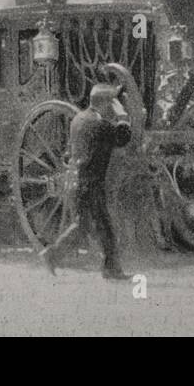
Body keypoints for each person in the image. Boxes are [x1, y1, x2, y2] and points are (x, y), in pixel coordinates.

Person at [40, 83, 132, 280]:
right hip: (90, 184)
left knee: (98, 226)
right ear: (107, 104)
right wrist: (123, 116)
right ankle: (52, 255)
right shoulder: (100, 124)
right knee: (88, 227)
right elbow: (123, 137)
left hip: (79, 181)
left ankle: (110, 268)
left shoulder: (80, 119)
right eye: (113, 102)